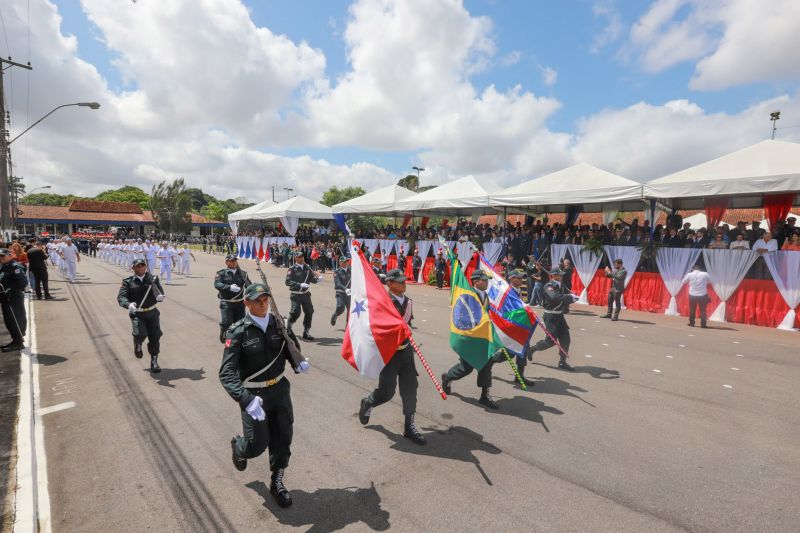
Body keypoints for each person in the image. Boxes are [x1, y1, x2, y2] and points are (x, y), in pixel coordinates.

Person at [219, 283, 309, 509]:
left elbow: (290, 348)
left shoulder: (279, 324)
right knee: (257, 445)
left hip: (279, 389)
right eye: (257, 300)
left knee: (283, 437)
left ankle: (277, 481)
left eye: (265, 299)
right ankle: (239, 447)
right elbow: (226, 373)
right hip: (254, 396)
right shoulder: (238, 331)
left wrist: (298, 363)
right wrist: (245, 399)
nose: (262, 303)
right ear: (246, 303)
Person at [358, 269, 425, 444]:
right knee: (387, 392)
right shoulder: (383, 302)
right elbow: (377, 328)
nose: (404, 284)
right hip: (389, 354)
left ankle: (409, 427)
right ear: (389, 284)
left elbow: (407, 324)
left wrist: (409, 339)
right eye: (400, 281)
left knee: (410, 390)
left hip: (406, 352)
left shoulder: (408, 302)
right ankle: (368, 402)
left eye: (404, 281)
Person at [440, 270, 499, 410]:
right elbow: (462, 316)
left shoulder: (486, 296)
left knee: (487, 364)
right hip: (470, 338)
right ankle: (447, 377)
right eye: (484, 280)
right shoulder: (468, 295)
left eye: (487, 280)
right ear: (476, 281)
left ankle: (485, 395)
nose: (486, 282)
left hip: (483, 338)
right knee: (466, 368)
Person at [117, 258, 165, 372]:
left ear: (145, 267)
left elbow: (160, 292)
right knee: (140, 333)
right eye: (137, 266)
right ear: (133, 268)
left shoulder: (153, 279)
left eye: (142, 265)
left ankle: (154, 361)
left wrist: (160, 296)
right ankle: (137, 344)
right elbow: (121, 297)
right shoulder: (128, 281)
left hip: (152, 312)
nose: (140, 268)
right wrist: (128, 305)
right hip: (138, 313)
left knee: (155, 337)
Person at [527, 268, 577, 371]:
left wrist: (573, 298)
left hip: (560, 316)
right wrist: (569, 297)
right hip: (551, 317)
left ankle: (562, 362)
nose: (562, 276)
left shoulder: (561, 286)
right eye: (559, 275)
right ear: (553, 276)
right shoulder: (549, 286)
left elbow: (563, 299)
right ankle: (532, 349)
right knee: (550, 341)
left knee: (565, 339)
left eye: (562, 275)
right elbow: (554, 297)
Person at [214, 254, 252, 343]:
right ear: (227, 262)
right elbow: (217, 284)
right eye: (231, 261)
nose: (234, 262)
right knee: (227, 322)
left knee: (240, 323)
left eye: (235, 260)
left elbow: (249, 286)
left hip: (240, 302)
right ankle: (223, 331)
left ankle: (237, 338)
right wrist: (229, 287)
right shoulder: (221, 273)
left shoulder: (243, 274)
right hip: (227, 302)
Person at [285, 251, 319, 340]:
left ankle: (306, 332)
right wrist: (299, 284)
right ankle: (288, 326)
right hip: (296, 295)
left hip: (306, 295)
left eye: (302, 256)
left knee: (309, 312)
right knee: (296, 312)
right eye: (299, 257)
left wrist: (318, 280)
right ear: (296, 258)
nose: (301, 258)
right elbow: (287, 282)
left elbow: (312, 279)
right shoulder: (292, 269)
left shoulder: (307, 268)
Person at [0, 248, 28, 352]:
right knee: (9, 320)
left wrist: (10, 290)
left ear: (10, 255)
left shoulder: (15, 267)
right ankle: (15, 340)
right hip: (6, 298)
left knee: (15, 319)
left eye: (3, 256)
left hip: (14, 297)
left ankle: (18, 342)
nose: (1, 258)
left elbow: (23, 283)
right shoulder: (4, 266)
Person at [681, 264, 711, 328]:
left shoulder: (690, 274)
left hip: (692, 294)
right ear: (700, 269)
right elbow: (710, 282)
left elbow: (683, 282)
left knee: (692, 310)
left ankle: (692, 323)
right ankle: (703, 324)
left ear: (693, 269)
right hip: (702, 294)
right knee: (703, 310)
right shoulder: (705, 274)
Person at [330, 256, 351, 327]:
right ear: (340, 263)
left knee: (350, 310)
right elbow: (338, 283)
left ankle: (348, 327)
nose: (346, 263)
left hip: (350, 293)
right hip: (341, 293)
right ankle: (335, 315)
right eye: (344, 262)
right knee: (340, 308)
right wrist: (345, 289)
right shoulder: (337, 272)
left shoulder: (351, 270)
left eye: (347, 261)